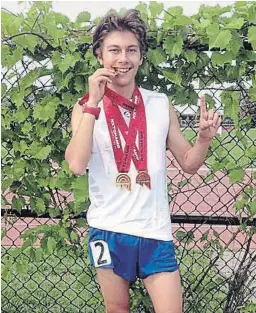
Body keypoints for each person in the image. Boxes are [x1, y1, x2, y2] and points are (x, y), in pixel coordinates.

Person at [65, 9, 221, 313]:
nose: (123, 58)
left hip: (154, 230)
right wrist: (93, 104)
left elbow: (189, 163)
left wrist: (203, 139)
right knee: (117, 309)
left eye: (131, 50)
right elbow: (75, 164)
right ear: (100, 56)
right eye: (114, 50)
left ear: (140, 56)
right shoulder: (85, 108)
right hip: (107, 229)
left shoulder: (160, 104)